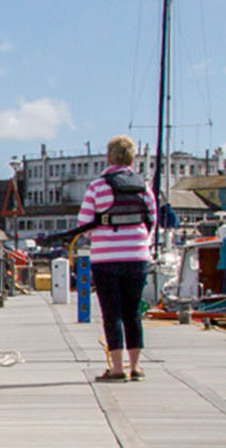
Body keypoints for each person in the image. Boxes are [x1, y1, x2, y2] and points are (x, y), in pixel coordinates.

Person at [76, 135, 156, 382]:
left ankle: (117, 368)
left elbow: (84, 224)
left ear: (109, 157)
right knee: (133, 312)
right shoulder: (143, 187)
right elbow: (152, 219)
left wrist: (99, 237)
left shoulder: (98, 186)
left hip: (106, 259)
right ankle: (136, 367)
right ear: (132, 158)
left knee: (112, 313)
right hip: (137, 256)